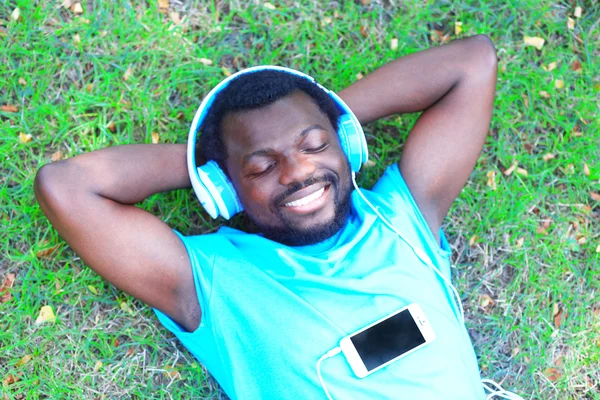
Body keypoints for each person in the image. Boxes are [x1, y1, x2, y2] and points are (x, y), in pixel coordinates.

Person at [34, 34, 499, 399]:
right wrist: (211, 167)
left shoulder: (402, 218)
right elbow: (66, 187)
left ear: (347, 145)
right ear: (226, 191)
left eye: (315, 146)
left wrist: (332, 115)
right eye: (262, 166)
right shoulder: (214, 282)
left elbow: (472, 62)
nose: (299, 171)